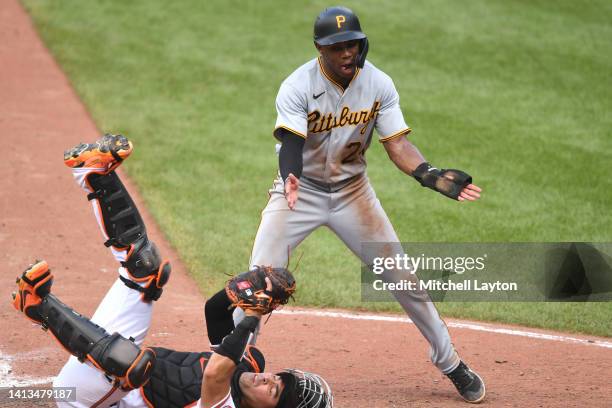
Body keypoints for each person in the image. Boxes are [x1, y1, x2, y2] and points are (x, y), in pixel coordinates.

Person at [234, 6, 486, 404]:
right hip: (300, 192)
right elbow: (292, 144)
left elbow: (397, 144)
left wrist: (427, 173)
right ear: (321, 48)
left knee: (404, 280)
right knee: (256, 282)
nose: (348, 52)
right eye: (338, 47)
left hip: (354, 194)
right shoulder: (297, 85)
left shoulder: (379, 83)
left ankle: (451, 362)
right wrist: (291, 178)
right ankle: (234, 369)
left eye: (353, 43)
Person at [12, 134, 332, 408]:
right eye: (276, 377)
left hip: (81, 399)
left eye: (273, 390)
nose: (266, 378)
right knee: (147, 271)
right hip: (105, 383)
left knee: (131, 363)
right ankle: (94, 172)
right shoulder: (249, 361)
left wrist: (251, 316)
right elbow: (216, 311)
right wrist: (245, 288)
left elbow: (214, 374)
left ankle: (41, 306)